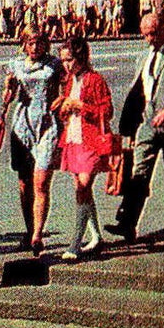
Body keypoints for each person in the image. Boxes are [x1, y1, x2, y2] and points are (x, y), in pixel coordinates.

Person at [107, 12, 164, 243]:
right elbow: (137, 92)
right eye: (145, 35)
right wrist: (130, 127)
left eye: (153, 33)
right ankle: (128, 223)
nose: (149, 39)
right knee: (139, 172)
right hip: (147, 124)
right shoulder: (143, 57)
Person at [4, 27, 63, 256]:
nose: (35, 47)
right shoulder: (16, 64)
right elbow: (9, 96)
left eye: (39, 42)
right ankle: (29, 230)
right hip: (23, 125)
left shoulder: (54, 64)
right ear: (24, 44)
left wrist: (61, 101)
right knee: (24, 183)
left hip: (47, 125)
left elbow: (66, 86)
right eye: (30, 43)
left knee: (41, 182)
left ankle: (38, 234)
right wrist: (9, 89)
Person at [53, 35, 113, 261]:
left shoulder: (95, 79)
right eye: (63, 61)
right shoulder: (70, 80)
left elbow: (107, 111)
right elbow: (66, 113)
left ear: (81, 57)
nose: (66, 65)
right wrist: (64, 107)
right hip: (73, 138)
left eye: (70, 60)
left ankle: (75, 243)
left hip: (91, 141)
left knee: (83, 186)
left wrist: (80, 106)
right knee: (82, 190)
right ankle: (96, 235)